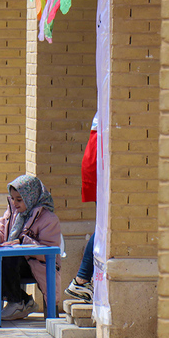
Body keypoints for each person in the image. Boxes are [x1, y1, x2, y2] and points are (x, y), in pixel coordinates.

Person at [0, 175, 62, 321]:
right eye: (12, 199)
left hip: (38, 264)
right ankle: (24, 301)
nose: (15, 203)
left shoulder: (48, 219)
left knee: (9, 259)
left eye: (19, 199)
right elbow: (0, 228)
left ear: (31, 197)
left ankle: (17, 303)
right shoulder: (13, 212)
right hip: (15, 263)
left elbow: (48, 250)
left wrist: (22, 241)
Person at [66, 112, 98, 302]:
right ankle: (81, 279)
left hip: (96, 161)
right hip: (100, 163)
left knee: (104, 227)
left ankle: (83, 279)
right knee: (105, 228)